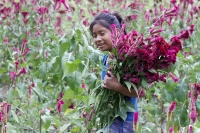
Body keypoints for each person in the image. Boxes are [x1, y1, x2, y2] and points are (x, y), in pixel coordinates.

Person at [89, 12, 138, 133]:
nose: (97, 39)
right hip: (111, 117)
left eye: (102, 34)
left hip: (126, 120)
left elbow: (138, 91)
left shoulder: (127, 58)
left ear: (117, 32)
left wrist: (116, 86)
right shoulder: (106, 58)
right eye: (94, 35)